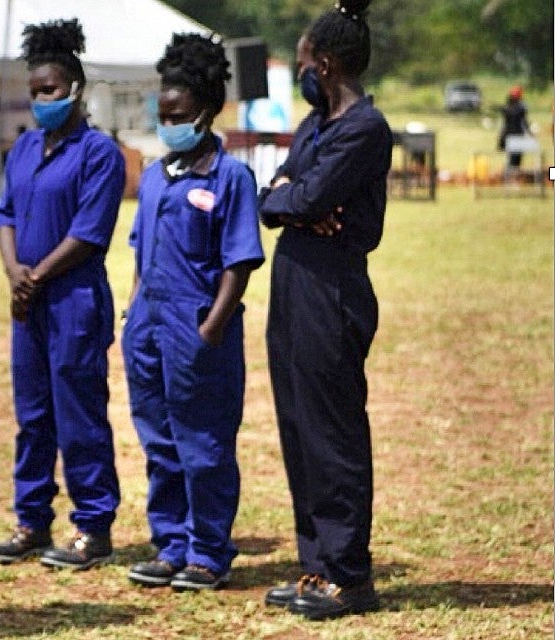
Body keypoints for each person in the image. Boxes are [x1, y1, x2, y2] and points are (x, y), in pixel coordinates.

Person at [257, 0, 392, 620]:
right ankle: (315, 567)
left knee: (332, 433)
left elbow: (304, 193)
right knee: (297, 427)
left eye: (307, 62)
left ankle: (349, 573)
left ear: (326, 64)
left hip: (331, 287)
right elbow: (277, 195)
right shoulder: (316, 126)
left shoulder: (364, 128)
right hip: (294, 277)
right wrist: (294, 200)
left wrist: (296, 198)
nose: (304, 71)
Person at [121, 33, 264, 592]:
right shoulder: (156, 176)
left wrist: (212, 327)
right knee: (158, 441)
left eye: (177, 114)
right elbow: (140, 250)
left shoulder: (230, 178)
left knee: (203, 445)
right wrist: (133, 313)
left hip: (199, 329)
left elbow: (241, 261)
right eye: (162, 114)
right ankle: (171, 544)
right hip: (149, 328)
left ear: (205, 112)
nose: (167, 123)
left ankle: (207, 551)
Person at [0, 17, 125, 571]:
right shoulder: (23, 150)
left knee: (79, 413)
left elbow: (89, 233)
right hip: (28, 302)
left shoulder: (99, 154)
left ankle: (93, 526)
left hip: (74, 300)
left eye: (50, 89)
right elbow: (4, 216)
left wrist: (35, 276)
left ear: (76, 89)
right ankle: (31, 520)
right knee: (33, 414)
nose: (41, 99)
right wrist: (13, 272)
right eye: (34, 91)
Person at [498, 85, 530, 170]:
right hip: (517, 134)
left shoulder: (507, 107)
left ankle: (511, 173)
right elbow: (524, 122)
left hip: (509, 135)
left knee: (513, 157)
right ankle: (513, 174)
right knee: (516, 157)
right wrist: (530, 133)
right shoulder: (521, 107)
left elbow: (505, 123)